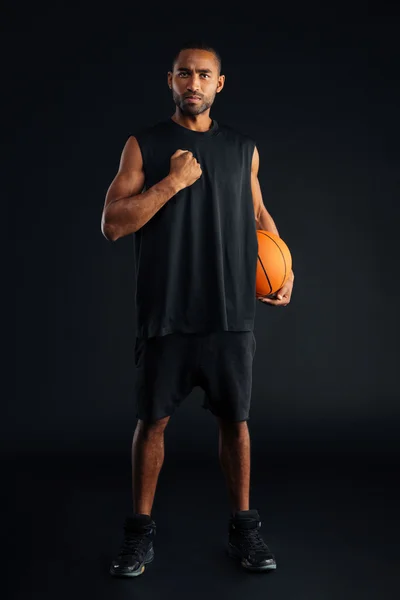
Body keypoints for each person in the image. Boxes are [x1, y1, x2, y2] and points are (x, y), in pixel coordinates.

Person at [101, 40, 295, 577]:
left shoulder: (244, 148)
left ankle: (244, 530)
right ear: (170, 80)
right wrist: (172, 182)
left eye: (203, 75)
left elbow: (260, 215)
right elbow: (113, 224)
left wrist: (286, 270)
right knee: (153, 423)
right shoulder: (145, 145)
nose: (194, 83)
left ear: (219, 84)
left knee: (236, 423)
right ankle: (138, 536)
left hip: (231, 313)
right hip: (167, 312)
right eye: (184, 74)